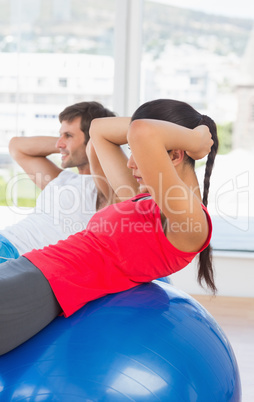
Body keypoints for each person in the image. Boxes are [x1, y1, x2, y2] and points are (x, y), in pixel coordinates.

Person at [0, 98, 218, 355]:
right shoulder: (139, 197)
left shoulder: (188, 220)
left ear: (175, 155)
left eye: (137, 152)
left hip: (46, 286)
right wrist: (185, 133)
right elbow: (99, 132)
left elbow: (142, 132)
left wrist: (194, 139)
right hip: (31, 265)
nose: (130, 163)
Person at [0, 101, 115, 263]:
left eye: (68, 135)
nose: (59, 143)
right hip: (5, 241)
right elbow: (17, 146)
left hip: (16, 256)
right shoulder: (61, 178)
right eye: (60, 135)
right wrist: (68, 145)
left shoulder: (107, 187)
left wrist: (96, 142)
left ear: (93, 141)